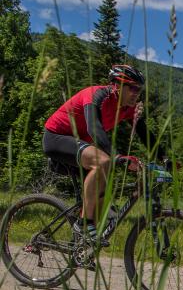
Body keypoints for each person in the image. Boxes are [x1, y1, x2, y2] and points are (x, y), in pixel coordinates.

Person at [43, 64, 165, 242]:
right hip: (57, 138)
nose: (136, 93)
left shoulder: (126, 109)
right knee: (103, 161)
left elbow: (146, 135)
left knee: (104, 197)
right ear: (116, 85)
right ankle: (84, 223)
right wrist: (118, 156)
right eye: (132, 88)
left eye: (139, 89)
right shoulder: (96, 95)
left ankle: (82, 247)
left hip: (81, 146)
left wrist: (165, 158)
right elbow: (94, 128)